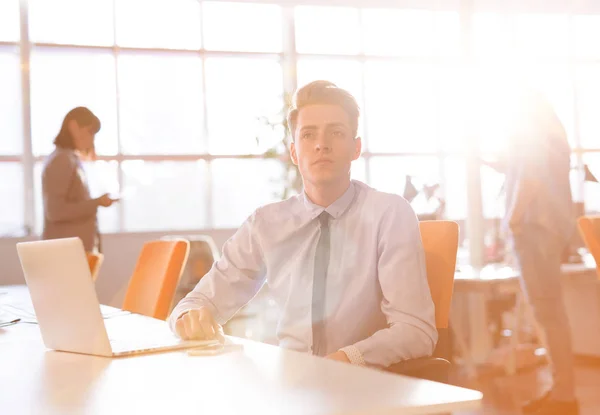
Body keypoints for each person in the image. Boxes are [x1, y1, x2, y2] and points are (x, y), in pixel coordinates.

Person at [169, 81, 437, 368]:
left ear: (355, 148)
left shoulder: (389, 213)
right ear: (294, 152)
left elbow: (416, 331)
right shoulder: (266, 224)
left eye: (336, 132)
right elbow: (196, 303)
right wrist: (190, 317)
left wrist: (348, 358)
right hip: (290, 385)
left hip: (361, 384)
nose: (322, 144)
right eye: (309, 135)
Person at [503, 91, 578, 415]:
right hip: (551, 229)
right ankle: (563, 391)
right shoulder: (553, 134)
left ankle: (564, 395)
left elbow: (530, 179)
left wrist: (513, 219)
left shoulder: (532, 132)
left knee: (547, 313)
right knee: (552, 313)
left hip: (535, 228)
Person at [42, 107, 117, 253]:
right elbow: (55, 211)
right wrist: (96, 203)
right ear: (74, 126)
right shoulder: (61, 160)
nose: (91, 139)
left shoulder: (70, 159)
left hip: (74, 254)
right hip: (65, 256)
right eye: (90, 132)